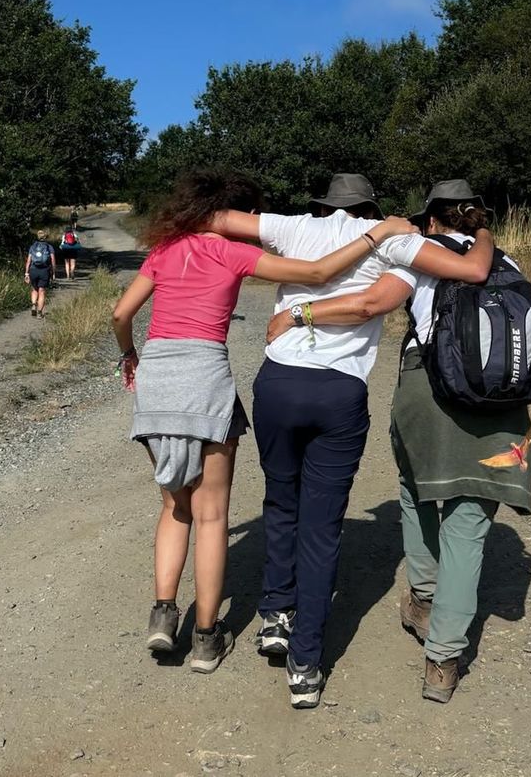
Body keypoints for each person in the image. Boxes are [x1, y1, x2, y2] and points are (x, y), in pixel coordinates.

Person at [111, 169, 417, 676]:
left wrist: (130, 357)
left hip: (157, 378)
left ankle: (164, 614)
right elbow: (317, 275)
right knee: (212, 516)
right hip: (204, 376)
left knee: (174, 503)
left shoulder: (165, 250)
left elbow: (122, 314)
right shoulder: (234, 252)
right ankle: (207, 637)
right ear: (236, 214)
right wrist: (375, 234)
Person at [210, 173, 496, 708]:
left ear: (323, 205)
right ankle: (305, 664)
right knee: (321, 529)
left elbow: (216, 218)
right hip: (338, 391)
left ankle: (275, 613)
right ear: (372, 205)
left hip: (278, 380)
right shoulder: (394, 238)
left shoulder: (294, 228)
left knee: (280, 497)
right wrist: (483, 230)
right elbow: (473, 270)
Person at [265, 179, 531, 705]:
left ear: (432, 221)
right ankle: (443, 660)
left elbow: (372, 302)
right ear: (476, 220)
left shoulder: (419, 257)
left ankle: (422, 596)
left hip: (431, 391)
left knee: (416, 489)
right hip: (505, 407)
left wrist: (298, 314)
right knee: (469, 521)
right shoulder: (508, 264)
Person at [24, 230, 56, 317]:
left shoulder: (33, 247)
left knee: (34, 289)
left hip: (33, 270)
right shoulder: (49, 247)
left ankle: (34, 304)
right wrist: (53, 272)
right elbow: (53, 260)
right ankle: (39, 313)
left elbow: (29, 261)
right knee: (42, 291)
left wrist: (26, 273)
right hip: (44, 271)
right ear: (45, 237)